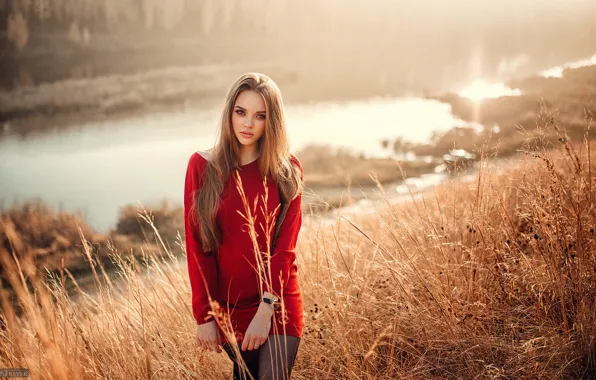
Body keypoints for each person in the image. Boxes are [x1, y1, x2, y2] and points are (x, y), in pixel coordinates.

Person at [184, 72, 304, 379]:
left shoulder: (287, 169)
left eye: (259, 116)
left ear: (271, 121)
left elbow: (285, 249)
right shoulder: (202, 167)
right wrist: (205, 315)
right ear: (229, 113)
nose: (248, 124)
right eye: (241, 112)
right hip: (231, 307)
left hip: (277, 300)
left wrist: (267, 308)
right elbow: (198, 249)